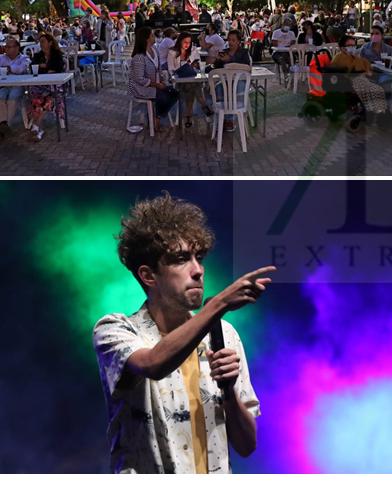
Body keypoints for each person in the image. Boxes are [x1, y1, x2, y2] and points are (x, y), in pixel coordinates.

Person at [92, 193, 272, 472]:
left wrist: (228, 392)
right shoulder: (115, 330)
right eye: (181, 259)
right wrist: (220, 304)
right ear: (149, 275)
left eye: (199, 257)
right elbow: (153, 364)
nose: (198, 270)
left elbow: (247, 446)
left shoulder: (224, 334)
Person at [128, 26, 180, 132]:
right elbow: (140, 79)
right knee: (164, 97)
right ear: (147, 39)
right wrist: (156, 85)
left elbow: (158, 67)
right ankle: (156, 122)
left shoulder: (155, 49)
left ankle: (158, 117)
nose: (154, 37)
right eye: (152, 35)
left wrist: (160, 78)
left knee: (175, 93)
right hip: (141, 88)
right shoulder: (139, 57)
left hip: (155, 84)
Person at [329, 34, 388, 115]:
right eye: (350, 46)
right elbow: (353, 69)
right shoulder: (340, 56)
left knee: (378, 88)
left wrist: (366, 69)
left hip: (356, 78)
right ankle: (379, 112)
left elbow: (365, 63)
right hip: (348, 81)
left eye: (354, 45)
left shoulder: (350, 55)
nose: (353, 47)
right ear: (343, 48)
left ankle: (380, 112)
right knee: (376, 89)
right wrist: (359, 61)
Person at [25, 32, 68, 141]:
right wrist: (46, 68)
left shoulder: (57, 55)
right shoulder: (38, 56)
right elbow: (33, 67)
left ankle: (36, 126)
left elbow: (58, 68)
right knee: (35, 96)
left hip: (54, 84)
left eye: (43, 42)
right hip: (39, 83)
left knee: (48, 97)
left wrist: (46, 66)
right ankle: (38, 129)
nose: (41, 44)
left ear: (50, 43)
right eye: (40, 42)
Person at [167, 33, 212, 128]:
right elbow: (171, 70)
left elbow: (198, 63)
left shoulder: (193, 50)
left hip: (193, 79)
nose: (187, 44)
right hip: (180, 81)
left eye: (189, 42)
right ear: (180, 42)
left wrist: (195, 65)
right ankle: (203, 104)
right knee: (192, 85)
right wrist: (182, 69)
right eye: (185, 42)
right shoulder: (172, 52)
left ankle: (187, 115)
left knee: (191, 85)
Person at [0, 38, 31, 139]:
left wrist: (9, 69)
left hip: (17, 84)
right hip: (2, 84)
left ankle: (3, 125)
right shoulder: (1, 57)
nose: (6, 49)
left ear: (17, 48)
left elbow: (21, 69)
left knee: (12, 97)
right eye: (6, 47)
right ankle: (4, 124)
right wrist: (12, 70)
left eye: (9, 47)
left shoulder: (24, 58)